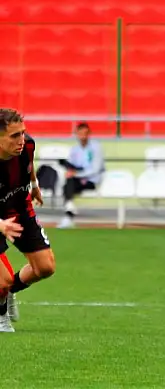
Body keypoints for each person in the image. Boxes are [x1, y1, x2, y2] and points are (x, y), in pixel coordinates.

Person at [0, 108, 56, 333]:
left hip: (18, 208)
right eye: (14, 135)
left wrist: (34, 185)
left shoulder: (27, 145)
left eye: (22, 133)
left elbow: (29, 165)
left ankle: (9, 291)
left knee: (45, 268)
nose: (21, 140)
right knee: (2, 281)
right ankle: (1, 317)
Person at [57, 122, 105, 229]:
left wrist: (77, 174)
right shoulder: (75, 149)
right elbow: (74, 166)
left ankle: (69, 214)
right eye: (80, 134)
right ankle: (69, 212)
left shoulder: (96, 147)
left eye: (85, 134)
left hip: (92, 180)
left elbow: (96, 169)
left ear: (89, 134)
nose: (83, 137)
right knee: (68, 181)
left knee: (68, 185)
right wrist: (69, 170)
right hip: (78, 179)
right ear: (77, 134)